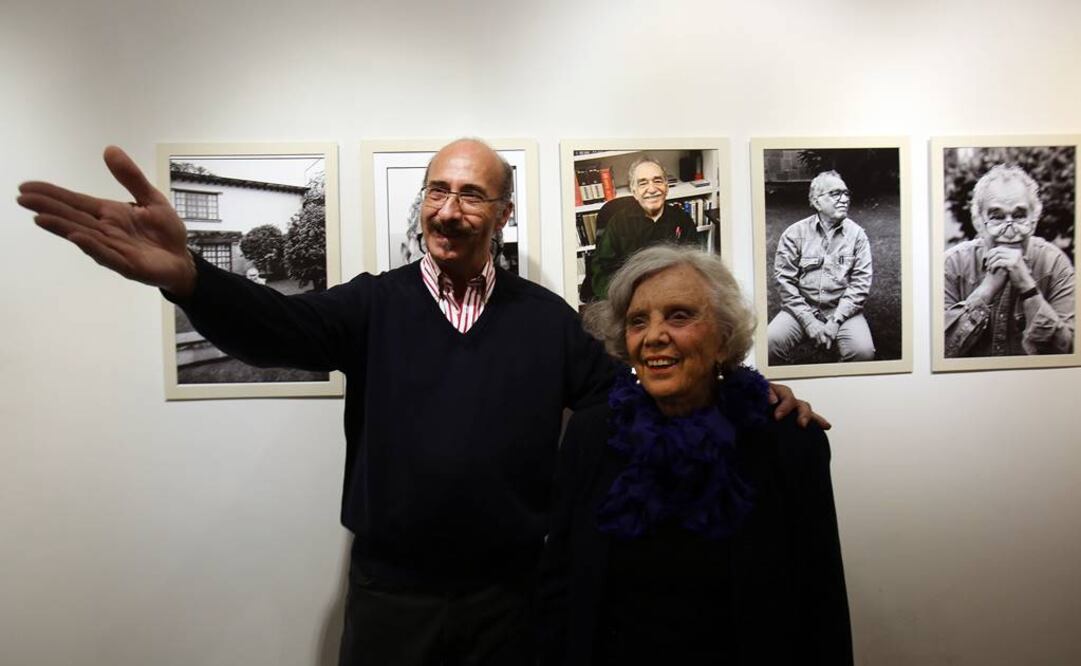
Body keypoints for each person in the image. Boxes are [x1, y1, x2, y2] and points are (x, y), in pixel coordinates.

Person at [18, 139, 822, 665]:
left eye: (472, 194)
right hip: (390, 601)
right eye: (437, 190)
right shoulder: (375, 305)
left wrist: (750, 392)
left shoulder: (545, 322)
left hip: (513, 606)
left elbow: (651, 389)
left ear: (501, 216)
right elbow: (279, 326)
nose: (448, 208)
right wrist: (192, 276)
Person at [541, 245, 852, 665]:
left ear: (723, 338)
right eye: (638, 321)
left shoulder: (788, 442)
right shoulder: (591, 437)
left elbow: (822, 603)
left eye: (679, 315)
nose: (654, 336)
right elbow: (560, 587)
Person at [944, 164, 1075, 356]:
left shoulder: (1055, 264)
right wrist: (986, 291)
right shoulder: (952, 264)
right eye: (997, 217)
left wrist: (1028, 288)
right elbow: (940, 351)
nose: (1009, 229)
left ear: (1034, 220)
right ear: (978, 222)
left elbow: (1067, 352)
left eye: (1019, 216)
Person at [767, 170, 875, 363]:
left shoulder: (857, 235)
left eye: (846, 193)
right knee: (768, 343)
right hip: (801, 308)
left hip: (842, 310)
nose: (844, 199)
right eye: (835, 194)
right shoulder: (793, 234)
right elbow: (785, 282)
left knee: (863, 352)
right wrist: (808, 321)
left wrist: (836, 321)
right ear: (816, 202)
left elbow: (860, 284)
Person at [590, 157, 703, 299]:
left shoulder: (682, 220)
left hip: (672, 295)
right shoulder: (618, 223)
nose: (652, 189)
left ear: (666, 187)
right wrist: (618, 299)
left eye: (657, 181)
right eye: (643, 183)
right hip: (628, 297)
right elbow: (601, 269)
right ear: (634, 191)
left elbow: (694, 264)